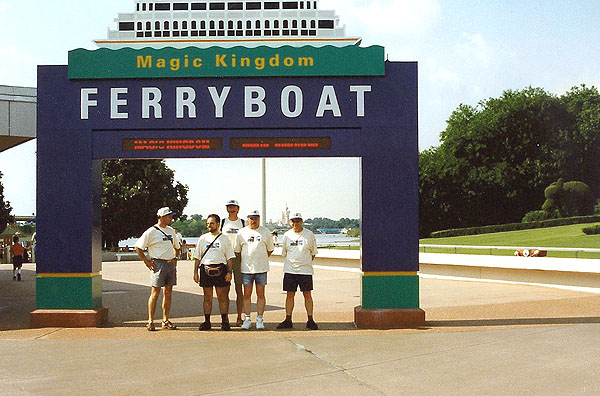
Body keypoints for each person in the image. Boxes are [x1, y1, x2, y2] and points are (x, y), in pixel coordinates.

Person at [134, 207, 181, 331]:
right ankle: (150, 321)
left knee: (168, 293)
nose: (171, 218)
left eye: (171, 216)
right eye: (169, 216)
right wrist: (146, 261)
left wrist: (176, 257)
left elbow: (177, 246)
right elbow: (138, 247)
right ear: (161, 217)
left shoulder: (171, 231)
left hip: (170, 264)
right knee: (155, 293)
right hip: (158, 264)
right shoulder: (151, 232)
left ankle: (165, 320)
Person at [277, 213, 319, 330]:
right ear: (290, 222)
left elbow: (313, 253)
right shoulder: (286, 235)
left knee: (307, 295)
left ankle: (310, 319)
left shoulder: (309, 234)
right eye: (293, 221)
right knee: (290, 295)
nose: (295, 223)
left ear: (302, 221)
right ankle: (288, 319)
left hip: (305, 271)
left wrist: (304, 263)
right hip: (290, 270)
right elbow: (285, 253)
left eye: (298, 221)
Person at [193, 214, 235, 331]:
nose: (209, 226)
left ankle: (224, 321)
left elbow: (230, 257)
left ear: (217, 224)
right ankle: (207, 322)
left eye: (211, 223)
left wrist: (229, 272)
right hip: (205, 269)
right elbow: (197, 257)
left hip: (221, 269)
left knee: (222, 297)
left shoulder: (224, 239)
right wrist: (195, 272)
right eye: (207, 224)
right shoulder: (203, 238)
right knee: (207, 297)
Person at [234, 210, 274, 330]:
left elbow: (270, 250)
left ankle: (260, 319)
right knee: (247, 294)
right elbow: (237, 251)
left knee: (260, 294)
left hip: (261, 268)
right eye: (251, 218)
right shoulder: (241, 232)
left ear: (259, 219)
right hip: (246, 269)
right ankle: (247, 319)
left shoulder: (265, 232)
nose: (254, 220)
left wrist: (260, 258)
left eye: (256, 218)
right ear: (248, 219)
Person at [220, 199, 246, 326]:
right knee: (224, 290)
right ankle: (225, 318)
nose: (231, 209)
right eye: (229, 207)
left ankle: (239, 317)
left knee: (239, 289)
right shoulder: (223, 222)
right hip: (224, 259)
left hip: (238, 257)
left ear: (238, 209)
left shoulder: (242, 223)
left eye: (234, 207)